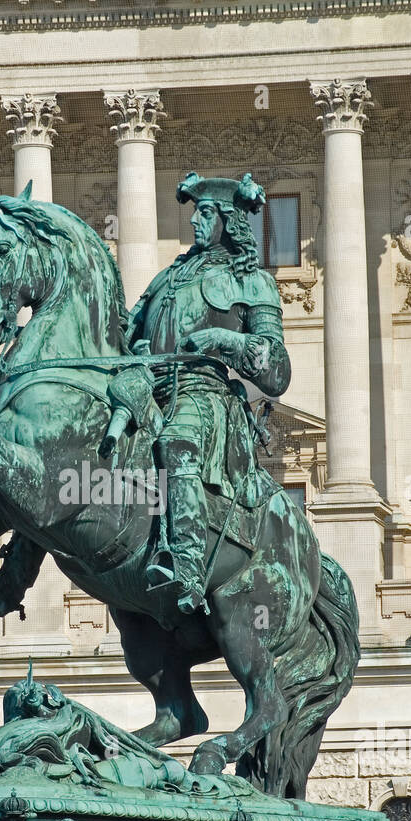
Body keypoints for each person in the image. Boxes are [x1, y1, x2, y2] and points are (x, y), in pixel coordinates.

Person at [126, 172, 291, 613]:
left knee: (176, 442)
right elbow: (124, 332)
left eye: (205, 213)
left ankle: (187, 565)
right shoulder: (166, 279)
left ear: (227, 221)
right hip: (146, 387)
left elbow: (276, 371)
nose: (195, 222)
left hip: (206, 396)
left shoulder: (252, 282)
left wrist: (226, 342)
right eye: (195, 213)